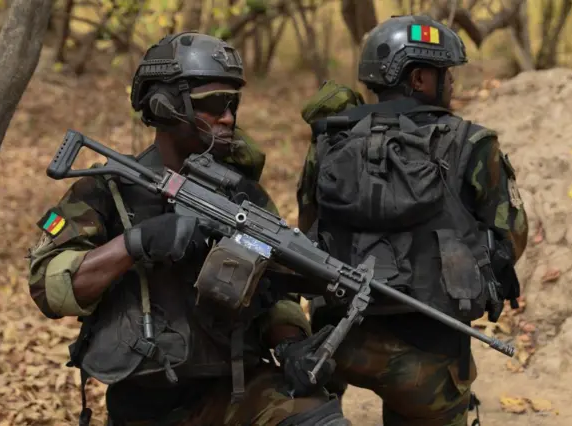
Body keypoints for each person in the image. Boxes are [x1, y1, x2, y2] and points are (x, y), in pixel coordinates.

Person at [27, 32, 348, 426]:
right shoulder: (107, 191)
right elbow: (48, 286)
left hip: (238, 392)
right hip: (144, 407)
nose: (228, 117)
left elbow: (273, 288)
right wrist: (136, 243)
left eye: (233, 103)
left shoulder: (243, 196)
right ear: (165, 106)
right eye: (213, 105)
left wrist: (292, 344)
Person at [295, 15, 529, 426]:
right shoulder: (473, 143)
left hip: (339, 343)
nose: (452, 84)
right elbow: (512, 239)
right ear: (420, 78)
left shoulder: (329, 141)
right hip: (432, 352)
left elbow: (308, 230)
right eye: (446, 74)